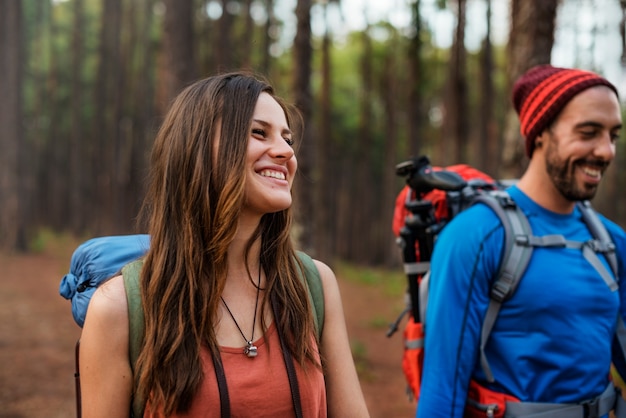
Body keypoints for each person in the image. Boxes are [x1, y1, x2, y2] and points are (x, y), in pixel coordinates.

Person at [78, 72, 370, 418]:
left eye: (287, 139)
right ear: (197, 149)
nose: (285, 152)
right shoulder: (120, 308)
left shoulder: (312, 284)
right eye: (258, 133)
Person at [416, 64, 626, 417]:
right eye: (589, 132)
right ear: (541, 132)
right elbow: (442, 389)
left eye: (613, 136)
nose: (605, 151)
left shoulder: (612, 241)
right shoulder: (476, 236)